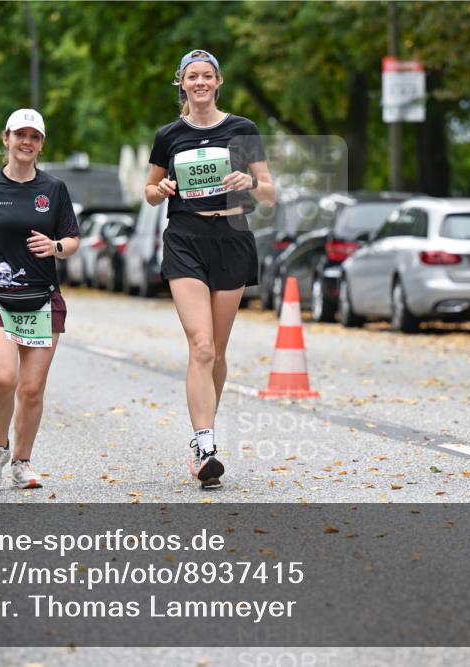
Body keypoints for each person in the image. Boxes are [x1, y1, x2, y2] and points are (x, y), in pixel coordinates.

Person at [145, 49, 276, 488]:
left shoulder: (243, 129)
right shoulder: (168, 134)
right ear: (181, 83)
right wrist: (160, 188)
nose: (199, 83)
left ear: (218, 82)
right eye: (191, 77)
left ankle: (202, 437)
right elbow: (148, 190)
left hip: (233, 238)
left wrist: (251, 183)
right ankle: (206, 446)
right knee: (200, 346)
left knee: (217, 351)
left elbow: (271, 193)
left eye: (207, 76)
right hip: (185, 238)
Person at [0, 109, 79, 490]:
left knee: (31, 388)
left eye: (34, 136)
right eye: (20, 135)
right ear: (5, 138)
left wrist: (56, 246)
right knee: (3, 377)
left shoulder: (54, 189)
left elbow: (72, 239)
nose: (27, 142)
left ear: (41, 144)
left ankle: (22, 461)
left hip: (42, 299)